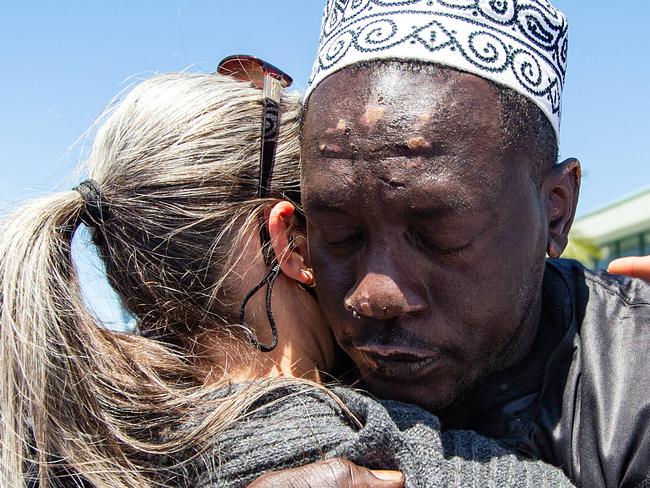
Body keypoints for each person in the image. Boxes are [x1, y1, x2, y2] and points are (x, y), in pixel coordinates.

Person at [0, 70, 573, 487]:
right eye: (344, 230)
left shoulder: (65, 439)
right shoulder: (363, 455)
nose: (377, 288)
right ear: (292, 241)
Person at [250, 1, 650, 487]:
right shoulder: (280, 364)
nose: (374, 296)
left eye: (438, 236)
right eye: (339, 235)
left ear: (556, 210)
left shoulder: (635, 388)